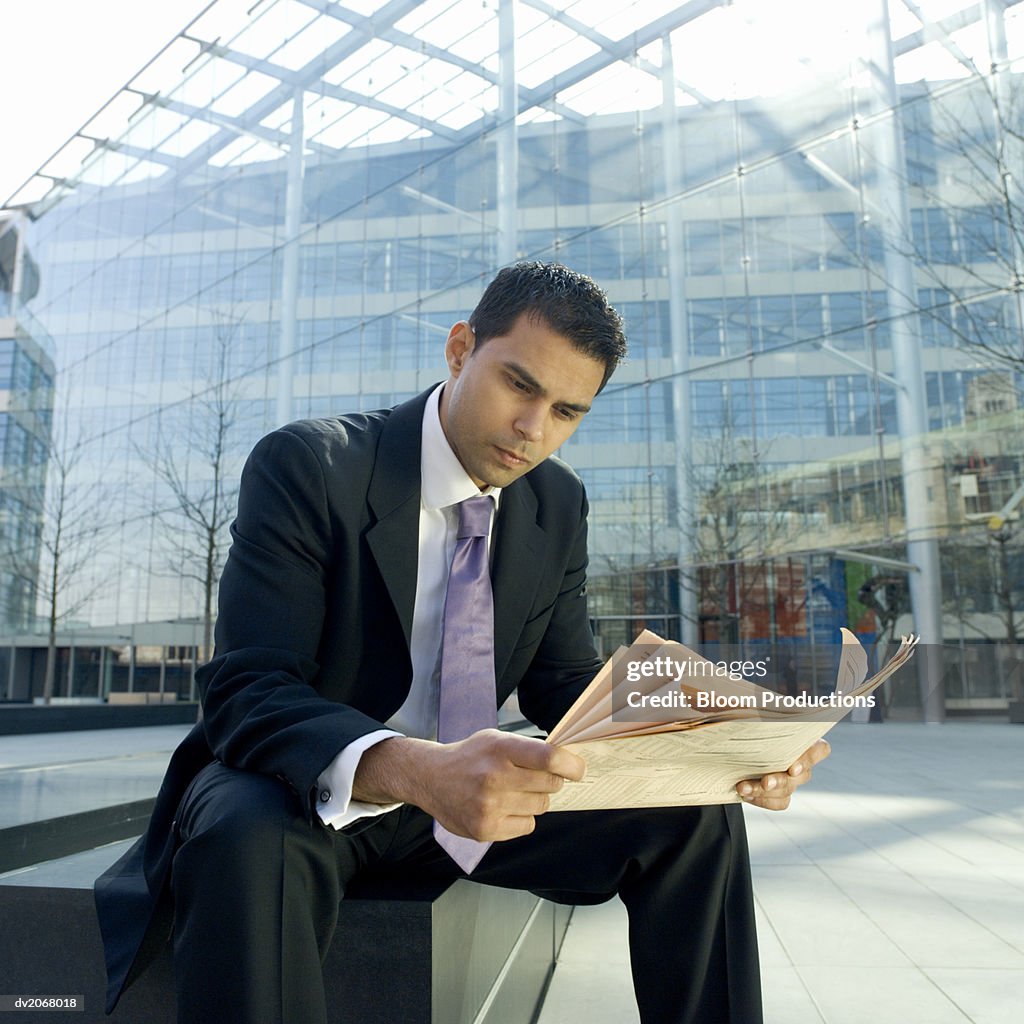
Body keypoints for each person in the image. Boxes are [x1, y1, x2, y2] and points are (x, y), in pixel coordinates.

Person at [95, 262, 829, 1024]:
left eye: (567, 412)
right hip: (304, 788)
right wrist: (412, 769)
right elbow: (247, 690)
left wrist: (719, 746)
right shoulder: (310, 467)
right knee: (243, 833)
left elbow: (563, 683)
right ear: (458, 350)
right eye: (520, 385)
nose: (534, 429)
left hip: (469, 797)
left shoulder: (556, 502)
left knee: (696, 815)